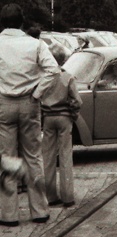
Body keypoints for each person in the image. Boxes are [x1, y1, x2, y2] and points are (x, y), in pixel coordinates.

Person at [0, 3, 60, 227]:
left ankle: (9, 215)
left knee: (7, 158)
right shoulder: (35, 44)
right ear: (22, 21)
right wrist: (37, 93)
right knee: (33, 156)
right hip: (29, 103)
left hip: (3, 104)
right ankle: (40, 211)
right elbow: (53, 70)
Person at [41, 44, 82, 208]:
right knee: (65, 156)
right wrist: (73, 113)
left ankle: (50, 196)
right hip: (64, 118)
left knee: (48, 157)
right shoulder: (67, 77)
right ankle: (67, 197)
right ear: (63, 59)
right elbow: (77, 101)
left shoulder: (44, 76)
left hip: (48, 118)